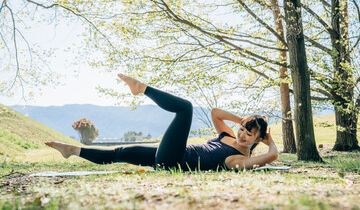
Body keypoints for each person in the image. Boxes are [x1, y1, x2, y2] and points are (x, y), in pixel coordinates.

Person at [45, 74, 278, 171]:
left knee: (184, 108)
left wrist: (270, 143)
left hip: (174, 161)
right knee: (120, 152)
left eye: (249, 134)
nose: (242, 134)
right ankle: (71, 150)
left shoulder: (239, 159)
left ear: (258, 139)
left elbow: (272, 156)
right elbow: (216, 112)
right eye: (241, 130)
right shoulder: (228, 136)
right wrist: (245, 120)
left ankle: (142, 88)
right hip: (168, 156)